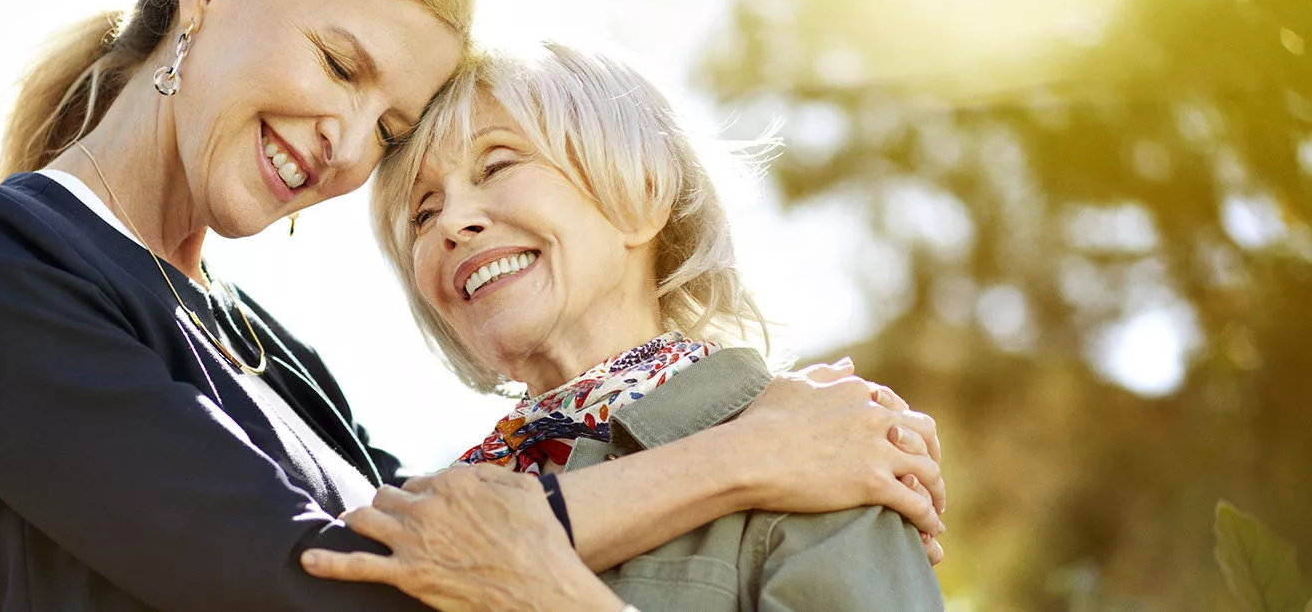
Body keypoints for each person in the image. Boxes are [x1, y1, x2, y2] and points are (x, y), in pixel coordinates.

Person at [0, 0, 944, 609]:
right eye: (343, 66)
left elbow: (444, 534)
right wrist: (746, 458)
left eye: (390, 130)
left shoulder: (282, 360)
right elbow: (335, 584)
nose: (349, 147)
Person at [306, 41, 946, 610]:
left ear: (640, 196)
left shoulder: (833, 455)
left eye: (497, 165)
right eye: (422, 214)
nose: (450, 223)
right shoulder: (433, 505)